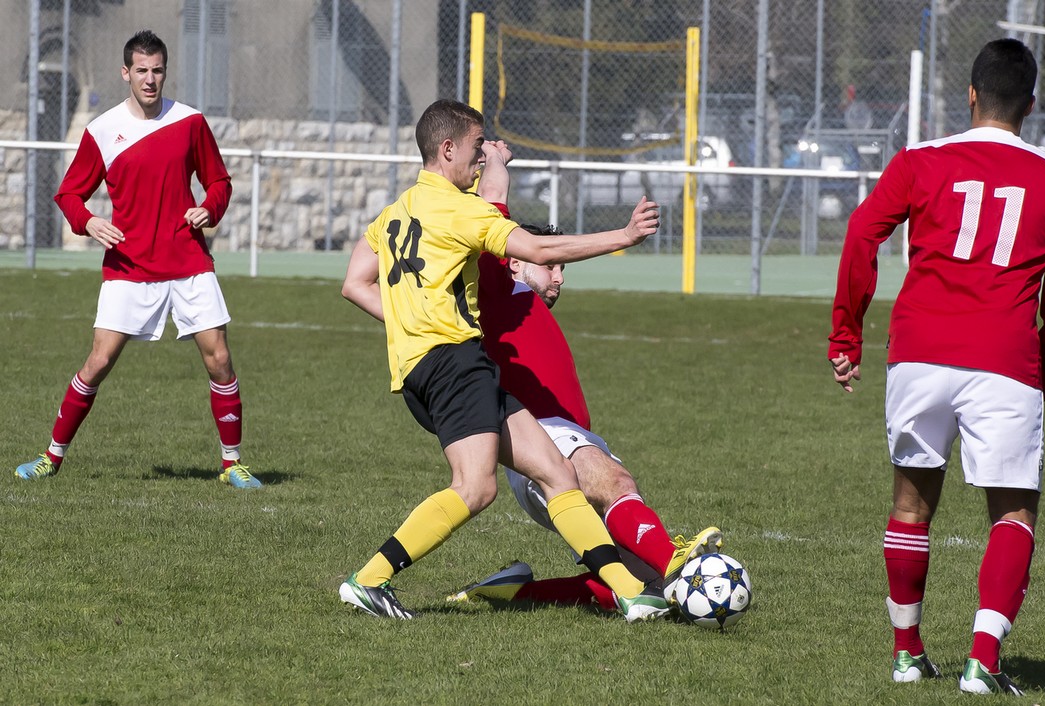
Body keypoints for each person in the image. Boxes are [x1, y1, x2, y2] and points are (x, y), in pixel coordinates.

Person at [828, 39, 1045, 695]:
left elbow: (863, 233)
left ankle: (907, 654)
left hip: (918, 355)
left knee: (912, 507)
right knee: (1012, 515)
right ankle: (982, 661)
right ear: (1030, 104)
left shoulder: (921, 160)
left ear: (969, 95)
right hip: (1004, 360)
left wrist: (847, 334)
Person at [338, 98, 667, 621]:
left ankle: (629, 591)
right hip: (453, 365)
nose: (478, 160)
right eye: (475, 148)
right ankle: (369, 579)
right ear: (447, 149)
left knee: (558, 474)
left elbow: (354, 284)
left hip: (435, 366)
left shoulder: (393, 213)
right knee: (475, 488)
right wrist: (624, 237)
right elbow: (536, 252)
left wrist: (409, 326)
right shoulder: (459, 208)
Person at [443, 150, 721, 613]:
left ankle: (510, 595)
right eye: (550, 265)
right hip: (541, 433)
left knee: (648, 587)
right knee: (614, 481)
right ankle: (676, 558)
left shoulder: (525, 305)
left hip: (570, 437)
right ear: (513, 260)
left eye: (562, 269)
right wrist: (496, 162)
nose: (559, 276)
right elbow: (492, 208)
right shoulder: (496, 286)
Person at [14, 30, 261, 489]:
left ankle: (232, 464)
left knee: (220, 360)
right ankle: (51, 456)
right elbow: (69, 193)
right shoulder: (103, 130)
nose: (150, 79)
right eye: (141, 70)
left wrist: (210, 208)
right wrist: (88, 222)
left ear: (165, 71)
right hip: (129, 266)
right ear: (126, 73)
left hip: (187, 260)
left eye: (158, 70)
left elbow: (220, 182)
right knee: (98, 361)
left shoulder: (190, 122)